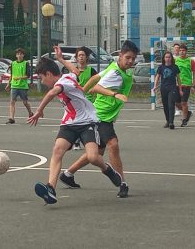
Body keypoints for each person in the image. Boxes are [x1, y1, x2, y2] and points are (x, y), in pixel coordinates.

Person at [28, 46, 122, 205]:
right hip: (69, 123)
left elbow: (52, 93)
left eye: (42, 78)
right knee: (57, 150)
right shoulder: (69, 75)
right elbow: (76, 71)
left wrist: (38, 110)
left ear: (49, 74)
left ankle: (108, 170)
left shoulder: (63, 82)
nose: (42, 82)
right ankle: (51, 188)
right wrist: (61, 59)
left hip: (87, 122)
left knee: (93, 157)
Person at [59, 40, 138, 198]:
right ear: (120, 56)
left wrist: (82, 90)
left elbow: (95, 79)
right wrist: (115, 94)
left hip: (103, 115)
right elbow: (97, 87)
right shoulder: (115, 73)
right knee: (113, 145)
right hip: (99, 116)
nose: (130, 61)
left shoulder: (115, 68)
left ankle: (67, 174)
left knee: (96, 153)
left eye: (133, 58)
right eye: (128, 57)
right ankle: (122, 182)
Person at [72, 46, 98, 150]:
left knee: (92, 122)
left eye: (83, 55)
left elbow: (98, 83)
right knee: (78, 121)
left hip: (90, 100)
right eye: (79, 55)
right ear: (76, 58)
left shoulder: (92, 71)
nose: (81, 57)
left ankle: (92, 141)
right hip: (77, 101)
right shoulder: (74, 72)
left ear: (86, 58)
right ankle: (77, 141)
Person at [154, 51, 182, 129]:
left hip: (172, 88)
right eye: (166, 57)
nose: (168, 59)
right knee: (165, 106)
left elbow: (178, 79)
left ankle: (171, 122)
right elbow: (157, 77)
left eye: (169, 57)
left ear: (171, 58)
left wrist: (180, 90)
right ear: (164, 58)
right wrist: (155, 86)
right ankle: (167, 120)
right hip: (163, 88)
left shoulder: (175, 67)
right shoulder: (161, 67)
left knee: (171, 105)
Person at [5, 48, 33, 124]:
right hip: (14, 85)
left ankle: (30, 113)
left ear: (23, 55)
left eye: (21, 54)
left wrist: (19, 77)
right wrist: (9, 83)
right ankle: (12, 118)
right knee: (12, 102)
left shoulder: (26, 63)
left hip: (23, 86)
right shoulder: (13, 63)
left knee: (25, 102)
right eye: (18, 54)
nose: (19, 55)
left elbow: (28, 75)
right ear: (16, 55)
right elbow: (11, 74)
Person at [174, 43, 195, 127]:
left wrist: (193, 85)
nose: (181, 52)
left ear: (186, 52)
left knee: (184, 102)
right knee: (176, 103)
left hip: (187, 85)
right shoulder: (176, 60)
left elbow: (194, 74)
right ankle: (188, 113)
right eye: (180, 50)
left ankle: (184, 120)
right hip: (177, 85)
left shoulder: (191, 61)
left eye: (183, 50)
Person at [172, 43, 182, 116]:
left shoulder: (182, 57)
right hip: (173, 78)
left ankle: (184, 109)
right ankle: (178, 109)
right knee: (174, 95)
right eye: (175, 48)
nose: (176, 49)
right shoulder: (171, 57)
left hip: (182, 78)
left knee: (181, 95)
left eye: (178, 48)